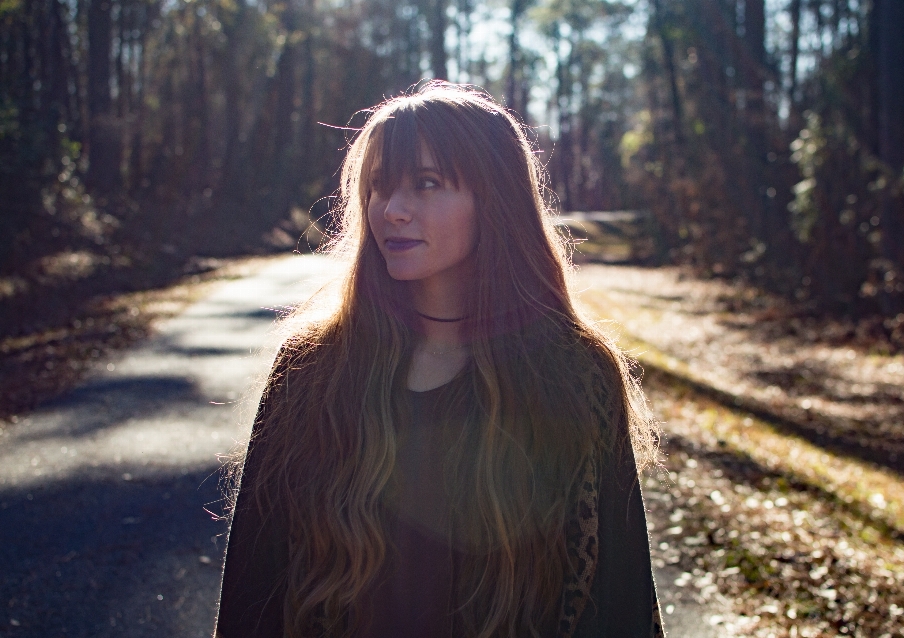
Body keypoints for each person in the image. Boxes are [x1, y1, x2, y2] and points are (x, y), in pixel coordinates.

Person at [214, 81, 665, 638]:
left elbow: (618, 597)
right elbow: (252, 588)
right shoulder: (313, 370)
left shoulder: (574, 374)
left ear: (495, 200)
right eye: (379, 187)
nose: (392, 211)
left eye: (426, 184)